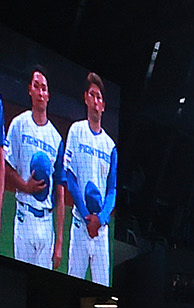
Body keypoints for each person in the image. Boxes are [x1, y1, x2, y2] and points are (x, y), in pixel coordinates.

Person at [59, 72, 117, 285]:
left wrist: (100, 218)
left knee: (102, 285)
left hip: (101, 230)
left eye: (99, 97)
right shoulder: (76, 131)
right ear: (85, 98)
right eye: (92, 95)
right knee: (72, 282)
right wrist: (85, 215)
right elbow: (69, 176)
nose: (95, 101)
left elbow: (112, 189)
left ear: (103, 105)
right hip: (80, 225)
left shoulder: (110, 146)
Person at [4, 71, 62, 270]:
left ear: (48, 94)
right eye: (36, 86)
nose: (40, 91)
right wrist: (24, 186)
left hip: (47, 223)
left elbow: (60, 192)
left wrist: (59, 242)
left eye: (43, 88)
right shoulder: (19, 125)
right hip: (24, 216)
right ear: (30, 90)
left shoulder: (56, 138)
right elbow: (6, 166)